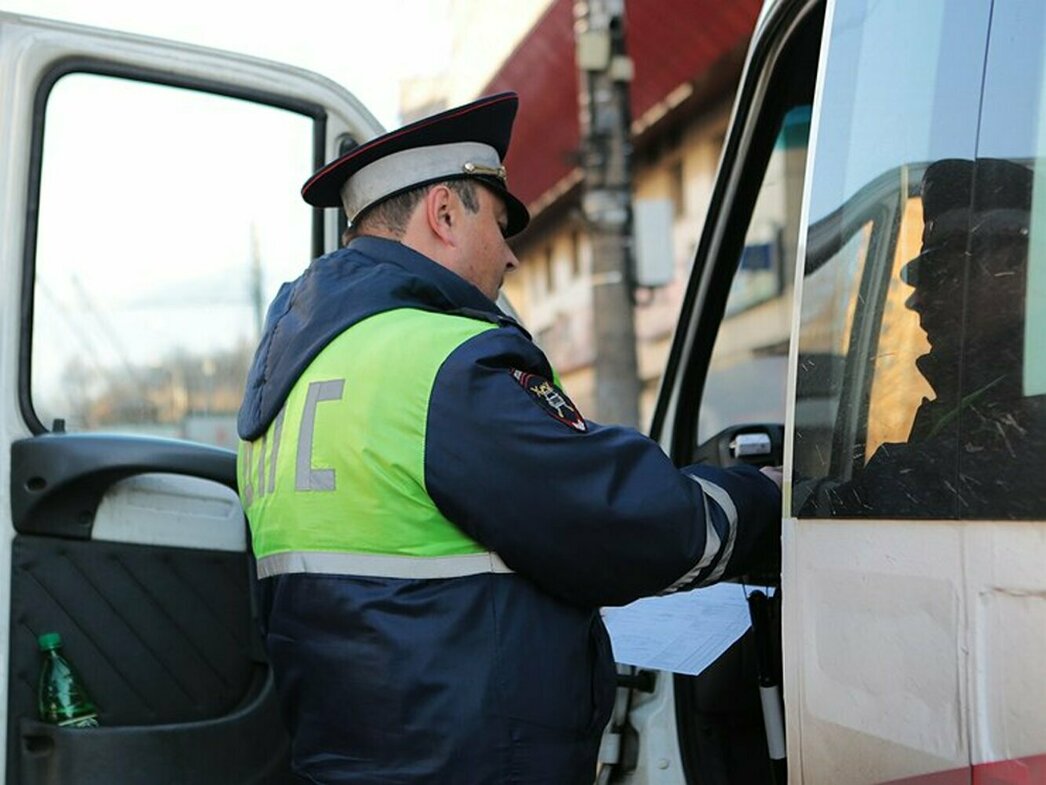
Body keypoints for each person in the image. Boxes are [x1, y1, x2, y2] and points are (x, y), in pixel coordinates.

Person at [236, 91, 781, 785]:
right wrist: (764, 500)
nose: (512, 257)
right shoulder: (443, 361)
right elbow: (624, 520)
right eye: (500, 223)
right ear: (443, 213)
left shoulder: (289, 371)